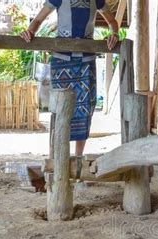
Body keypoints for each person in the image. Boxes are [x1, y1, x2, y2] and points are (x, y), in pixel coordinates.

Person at [20, 0, 119, 156]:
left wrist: (114, 34)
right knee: (60, 108)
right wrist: (30, 31)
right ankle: (56, 158)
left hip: (86, 62)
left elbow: (112, 21)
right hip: (61, 61)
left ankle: (78, 158)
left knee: (85, 109)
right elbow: (38, 20)